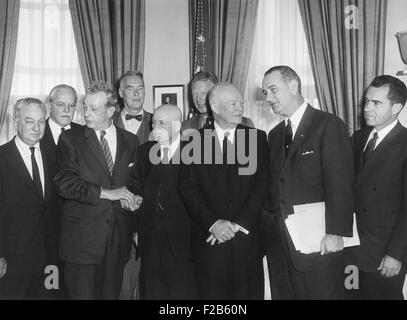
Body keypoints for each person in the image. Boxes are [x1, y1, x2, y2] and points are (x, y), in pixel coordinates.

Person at [261, 65, 354, 300]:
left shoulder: (328, 125)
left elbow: (340, 183)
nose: (268, 98)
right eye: (265, 93)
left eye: (273, 90)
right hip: (280, 246)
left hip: (317, 242)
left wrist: (336, 232)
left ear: (293, 86)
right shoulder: (274, 134)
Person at [179, 82, 269, 300]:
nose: (240, 108)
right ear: (215, 107)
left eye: (241, 103)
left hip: (247, 245)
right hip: (209, 244)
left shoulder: (257, 138)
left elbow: (262, 185)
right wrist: (214, 224)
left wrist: (238, 224)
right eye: (233, 103)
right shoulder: (193, 140)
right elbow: (188, 188)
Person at [54, 81, 142, 300]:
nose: (86, 113)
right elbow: (64, 183)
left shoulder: (130, 141)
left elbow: (134, 182)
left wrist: (135, 197)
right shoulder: (70, 139)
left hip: (118, 242)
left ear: (111, 110)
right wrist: (107, 193)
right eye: (85, 107)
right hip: (82, 243)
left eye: (94, 109)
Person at [345, 75, 407, 300]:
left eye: (376, 103)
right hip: (351, 249)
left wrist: (396, 254)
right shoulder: (358, 138)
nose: (367, 108)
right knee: (349, 296)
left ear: (396, 107)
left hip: (384, 255)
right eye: (366, 101)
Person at [128, 104, 197, 299]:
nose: (155, 128)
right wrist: (136, 225)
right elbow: (134, 183)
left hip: (183, 242)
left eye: (161, 123)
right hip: (150, 240)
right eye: (153, 122)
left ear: (177, 127)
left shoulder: (195, 153)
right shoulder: (145, 151)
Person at [0, 98, 58, 299]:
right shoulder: (2, 158)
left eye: (41, 121)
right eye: (29, 121)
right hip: (12, 261)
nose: (36, 128)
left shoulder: (55, 156)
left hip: (50, 261)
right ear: (16, 121)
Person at [41, 84, 82, 298]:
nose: (67, 110)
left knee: (74, 287)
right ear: (50, 106)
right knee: (51, 286)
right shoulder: (36, 134)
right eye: (60, 104)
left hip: (77, 227)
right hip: (45, 228)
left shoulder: (84, 134)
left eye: (71, 105)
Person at [181, 71, 254, 133]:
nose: (198, 99)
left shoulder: (245, 124)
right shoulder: (185, 127)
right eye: (194, 94)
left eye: (204, 93)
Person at [114, 70, 152, 145]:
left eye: (140, 89)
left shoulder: (157, 121)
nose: (136, 93)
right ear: (121, 93)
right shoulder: (110, 121)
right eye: (130, 89)